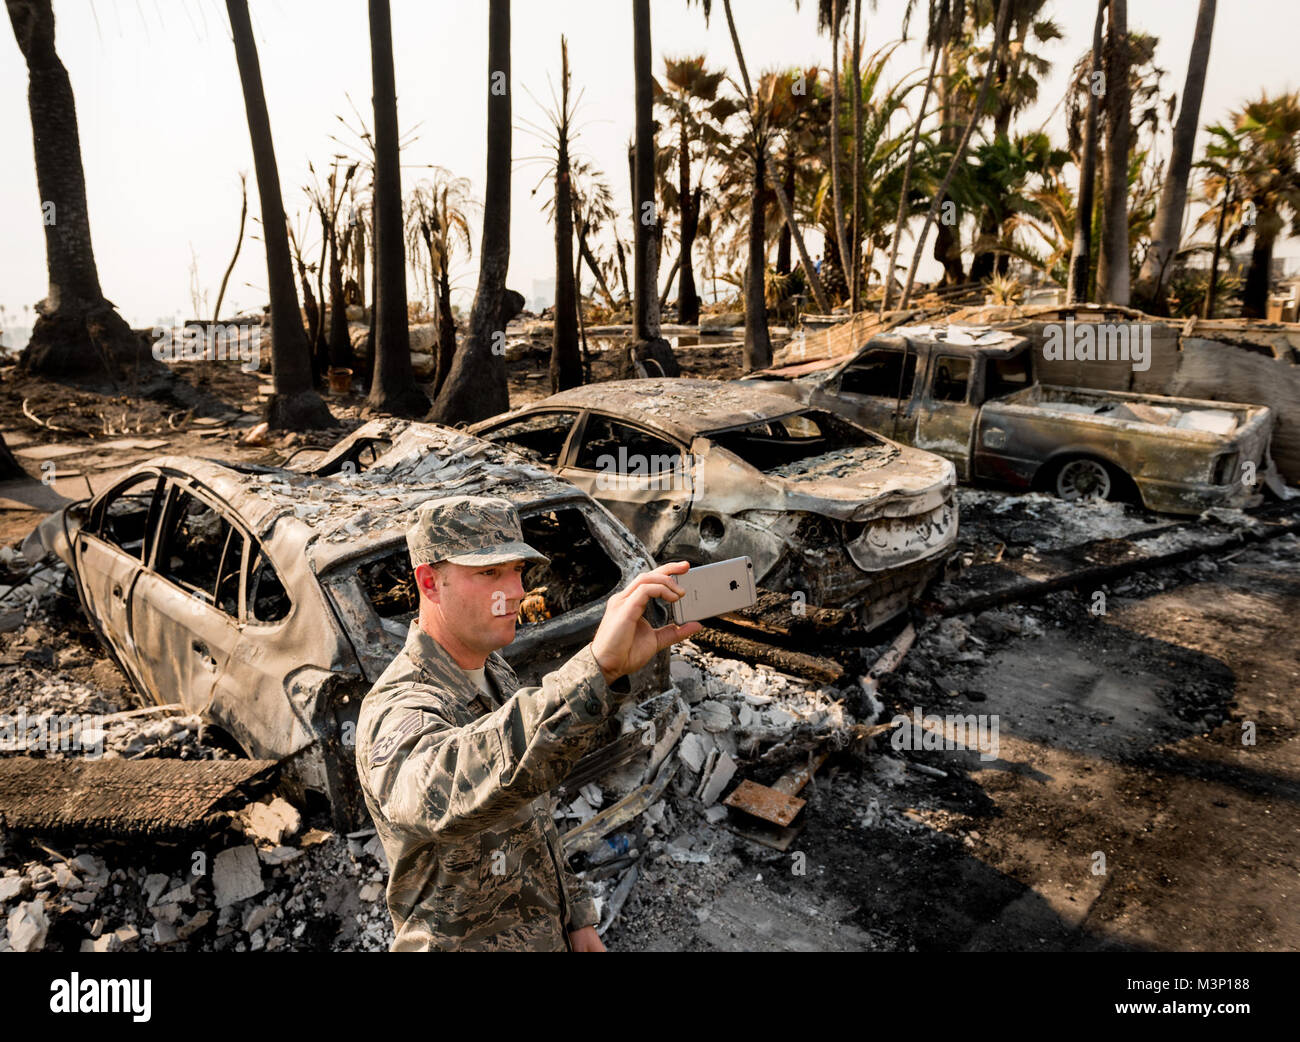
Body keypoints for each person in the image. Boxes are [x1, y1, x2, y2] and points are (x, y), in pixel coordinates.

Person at [355, 494, 702, 951]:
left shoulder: (493, 670)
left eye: (517, 570)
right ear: (430, 582)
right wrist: (596, 668)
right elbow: (447, 789)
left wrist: (576, 918)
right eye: (489, 573)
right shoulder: (397, 708)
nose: (517, 590)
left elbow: (530, 814)